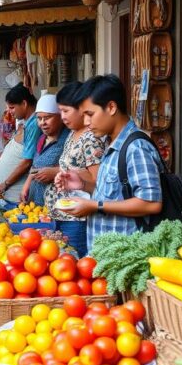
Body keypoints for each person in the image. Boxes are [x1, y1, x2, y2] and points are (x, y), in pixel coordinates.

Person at [56, 75, 163, 246]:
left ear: (111, 107)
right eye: (83, 115)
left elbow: (150, 203)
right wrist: (83, 185)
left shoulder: (136, 147)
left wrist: (95, 206)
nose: (86, 122)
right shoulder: (110, 143)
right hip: (106, 254)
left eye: (90, 114)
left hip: (126, 255)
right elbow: (114, 194)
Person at [45, 82, 106, 258]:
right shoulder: (73, 133)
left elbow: (98, 182)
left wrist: (79, 182)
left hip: (77, 219)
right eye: (60, 111)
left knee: (76, 264)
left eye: (66, 111)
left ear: (81, 109)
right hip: (63, 215)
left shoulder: (90, 139)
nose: (62, 116)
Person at [21, 94, 71, 208]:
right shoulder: (42, 139)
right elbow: (35, 165)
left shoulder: (68, 139)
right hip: (36, 202)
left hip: (57, 204)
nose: (42, 122)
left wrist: (56, 171)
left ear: (60, 117)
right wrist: (26, 185)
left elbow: (77, 168)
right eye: (39, 118)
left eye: (47, 118)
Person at [0, 85, 39, 206]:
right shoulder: (26, 123)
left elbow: (27, 161)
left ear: (24, 104)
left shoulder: (34, 124)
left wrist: (6, 184)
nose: (9, 112)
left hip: (16, 195)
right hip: (8, 194)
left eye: (12, 107)